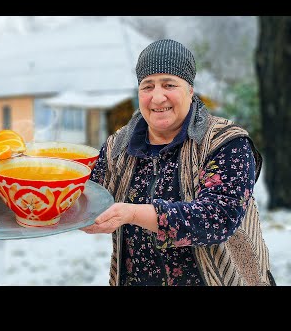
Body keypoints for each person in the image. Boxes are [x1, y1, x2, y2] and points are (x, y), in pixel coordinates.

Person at [81, 39, 275, 286]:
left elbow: (218, 218)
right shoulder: (119, 145)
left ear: (190, 90)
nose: (157, 97)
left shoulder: (225, 142)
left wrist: (131, 213)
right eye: (147, 86)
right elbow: (82, 195)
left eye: (169, 84)